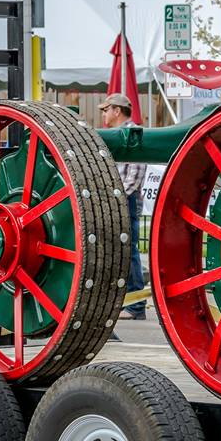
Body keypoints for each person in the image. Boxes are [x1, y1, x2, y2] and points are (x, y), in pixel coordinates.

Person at [99, 94, 147, 320]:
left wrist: (116, 198)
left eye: (106, 109)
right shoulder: (122, 134)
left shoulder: (131, 134)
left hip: (124, 199)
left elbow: (134, 176)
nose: (104, 114)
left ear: (117, 111)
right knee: (124, 251)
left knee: (129, 251)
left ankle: (136, 306)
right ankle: (130, 302)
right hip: (120, 198)